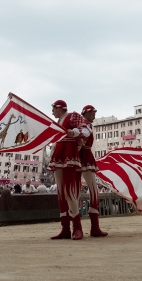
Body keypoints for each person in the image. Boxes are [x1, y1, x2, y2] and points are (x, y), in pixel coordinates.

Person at [48, 99, 87, 240]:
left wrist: (74, 133)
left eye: (53, 109)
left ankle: (77, 227)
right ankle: (65, 228)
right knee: (60, 191)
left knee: (69, 190)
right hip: (59, 152)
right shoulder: (58, 122)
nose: (52, 112)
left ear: (60, 108)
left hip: (69, 152)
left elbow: (85, 130)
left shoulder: (72, 116)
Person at [77, 104, 108, 237]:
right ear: (86, 113)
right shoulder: (86, 125)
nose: (94, 115)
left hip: (77, 157)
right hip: (86, 157)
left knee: (75, 191)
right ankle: (94, 227)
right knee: (93, 191)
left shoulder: (79, 124)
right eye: (92, 113)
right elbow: (81, 140)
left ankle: (76, 228)